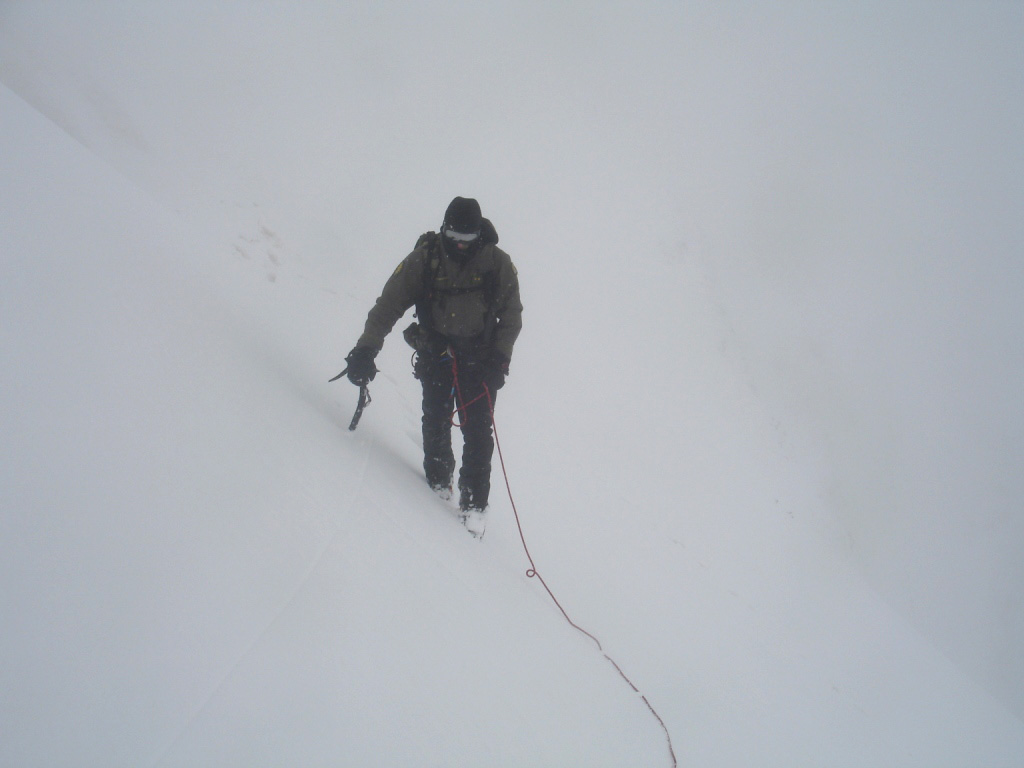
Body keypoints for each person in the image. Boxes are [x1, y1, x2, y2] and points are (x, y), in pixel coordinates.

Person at [344, 197, 522, 534]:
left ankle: (474, 508)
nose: (458, 244)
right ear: (443, 228)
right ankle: (438, 487)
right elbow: (388, 305)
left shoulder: (496, 264)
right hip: (436, 354)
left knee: (478, 432)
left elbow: (512, 315)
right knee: (436, 419)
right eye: (453, 235)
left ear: (479, 236)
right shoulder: (425, 259)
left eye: (467, 239)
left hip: (480, 360)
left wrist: (500, 359)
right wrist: (366, 349)